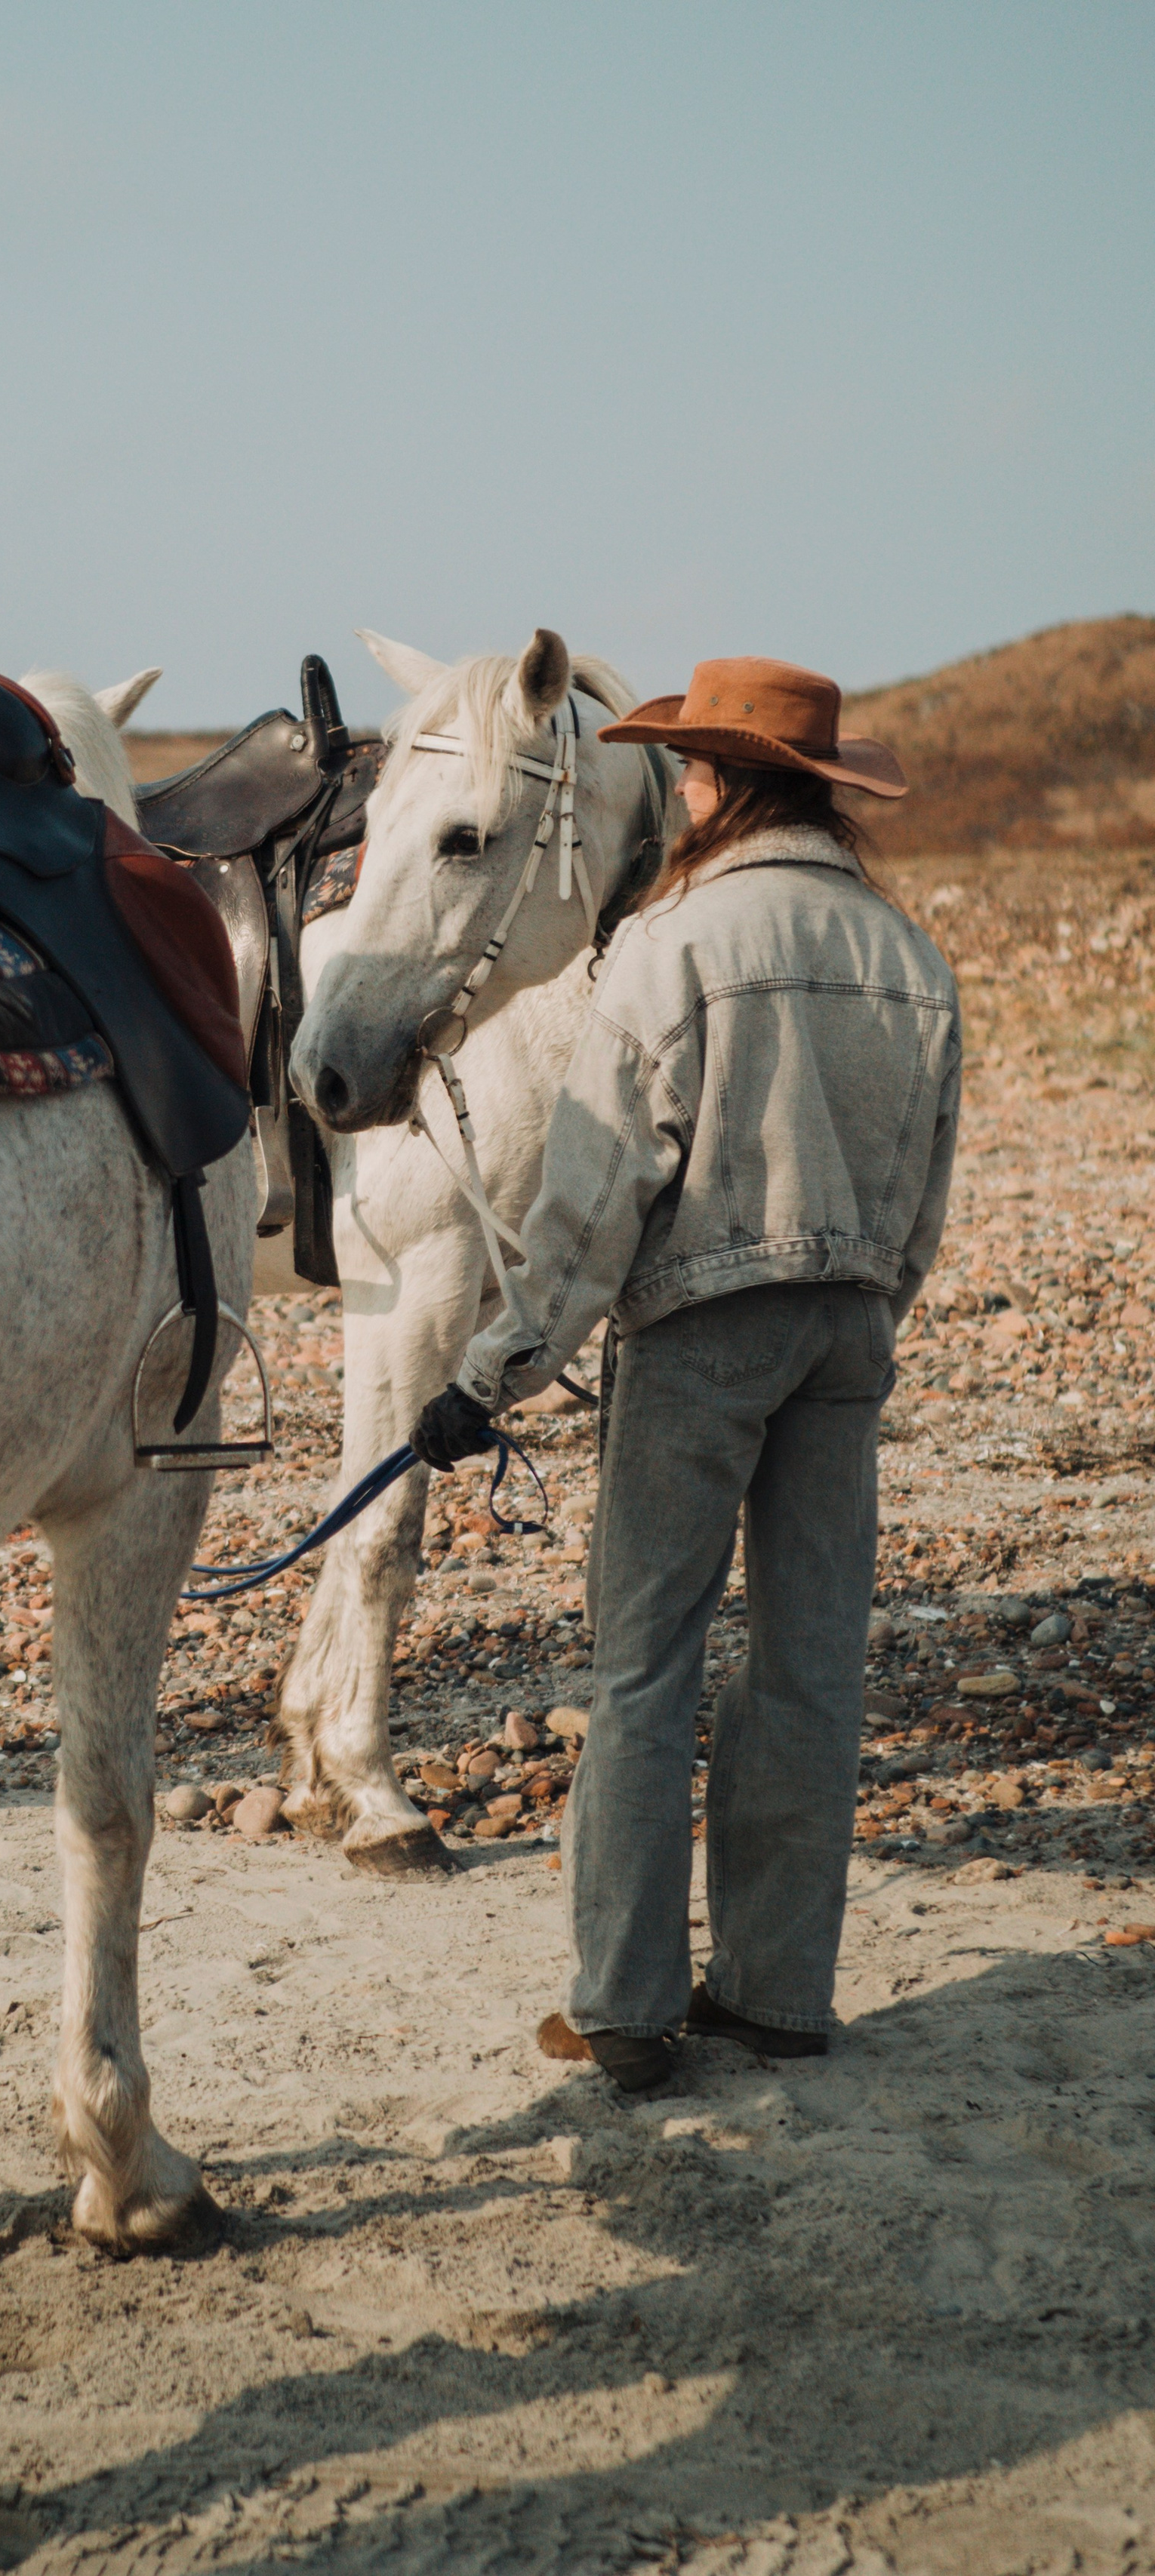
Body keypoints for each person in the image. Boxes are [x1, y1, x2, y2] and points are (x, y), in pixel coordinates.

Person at [411, 657, 959, 2094]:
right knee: (810, 1661)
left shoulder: (673, 943)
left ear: (732, 787)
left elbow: (592, 1203)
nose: (685, 793)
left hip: (703, 1334)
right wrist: (860, 1306)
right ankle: (776, 1995)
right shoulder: (909, 956)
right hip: (848, 1335)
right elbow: (922, 1207)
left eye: (698, 771)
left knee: (646, 1663)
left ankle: (629, 2007)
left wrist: (492, 1374)